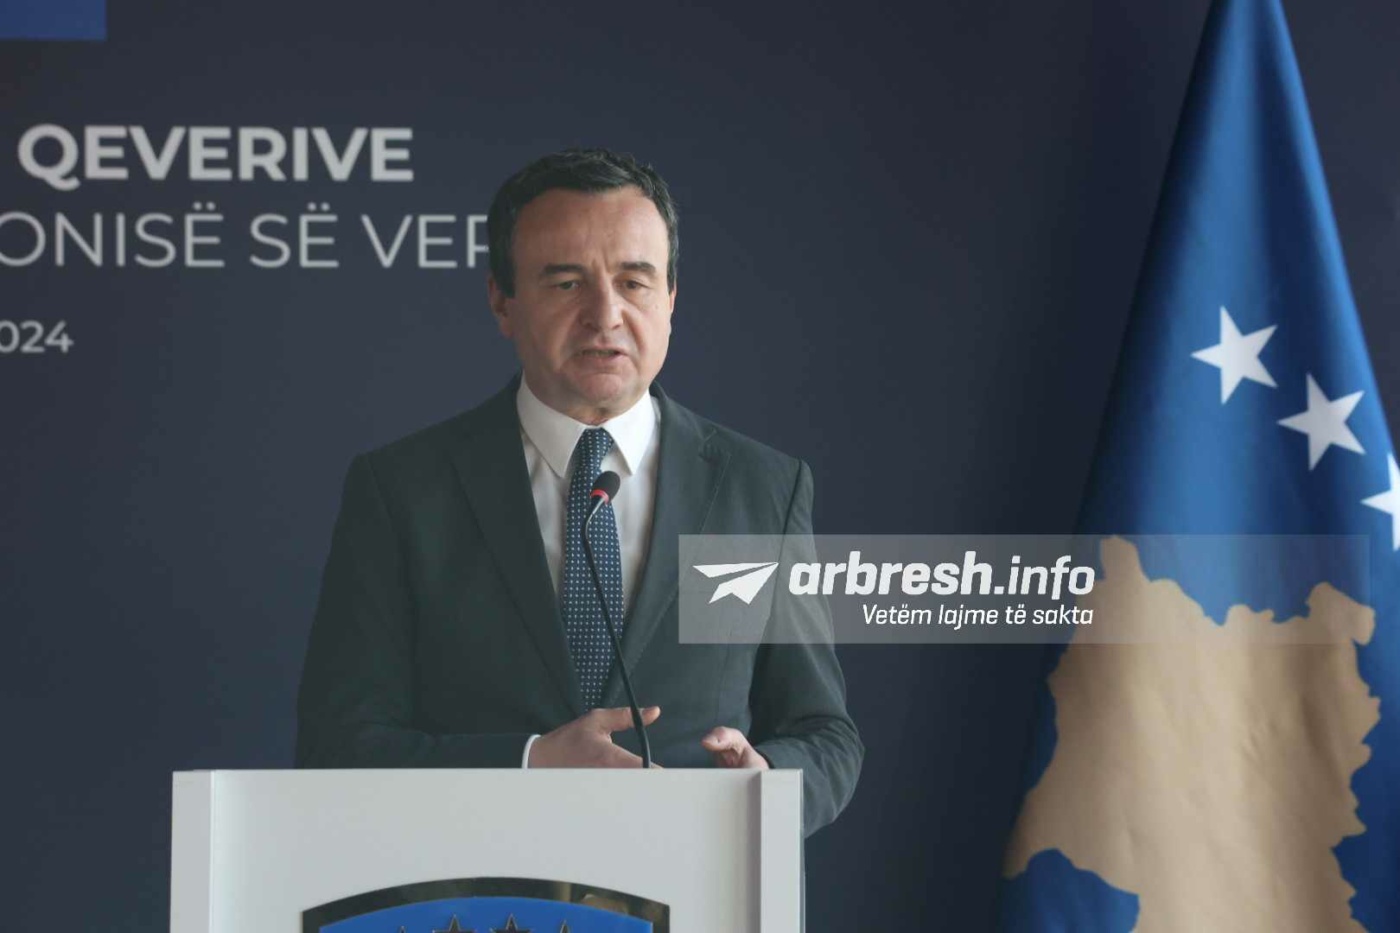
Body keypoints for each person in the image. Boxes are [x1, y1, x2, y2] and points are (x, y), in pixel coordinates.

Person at [295, 147, 862, 834]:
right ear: (502, 301)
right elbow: (339, 747)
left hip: (693, 877)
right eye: (567, 283)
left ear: (671, 298)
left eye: (634, 282)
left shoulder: (762, 487)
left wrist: (763, 784)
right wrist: (529, 763)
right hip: (479, 879)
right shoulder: (402, 490)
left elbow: (824, 734)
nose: (606, 314)